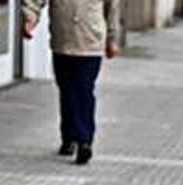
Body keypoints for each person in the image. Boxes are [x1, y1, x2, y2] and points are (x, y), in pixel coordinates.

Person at [22, 0, 120, 165]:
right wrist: (30, 18)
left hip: (90, 42)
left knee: (83, 91)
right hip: (63, 42)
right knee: (67, 92)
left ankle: (84, 141)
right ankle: (69, 137)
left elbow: (112, 8)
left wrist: (112, 39)